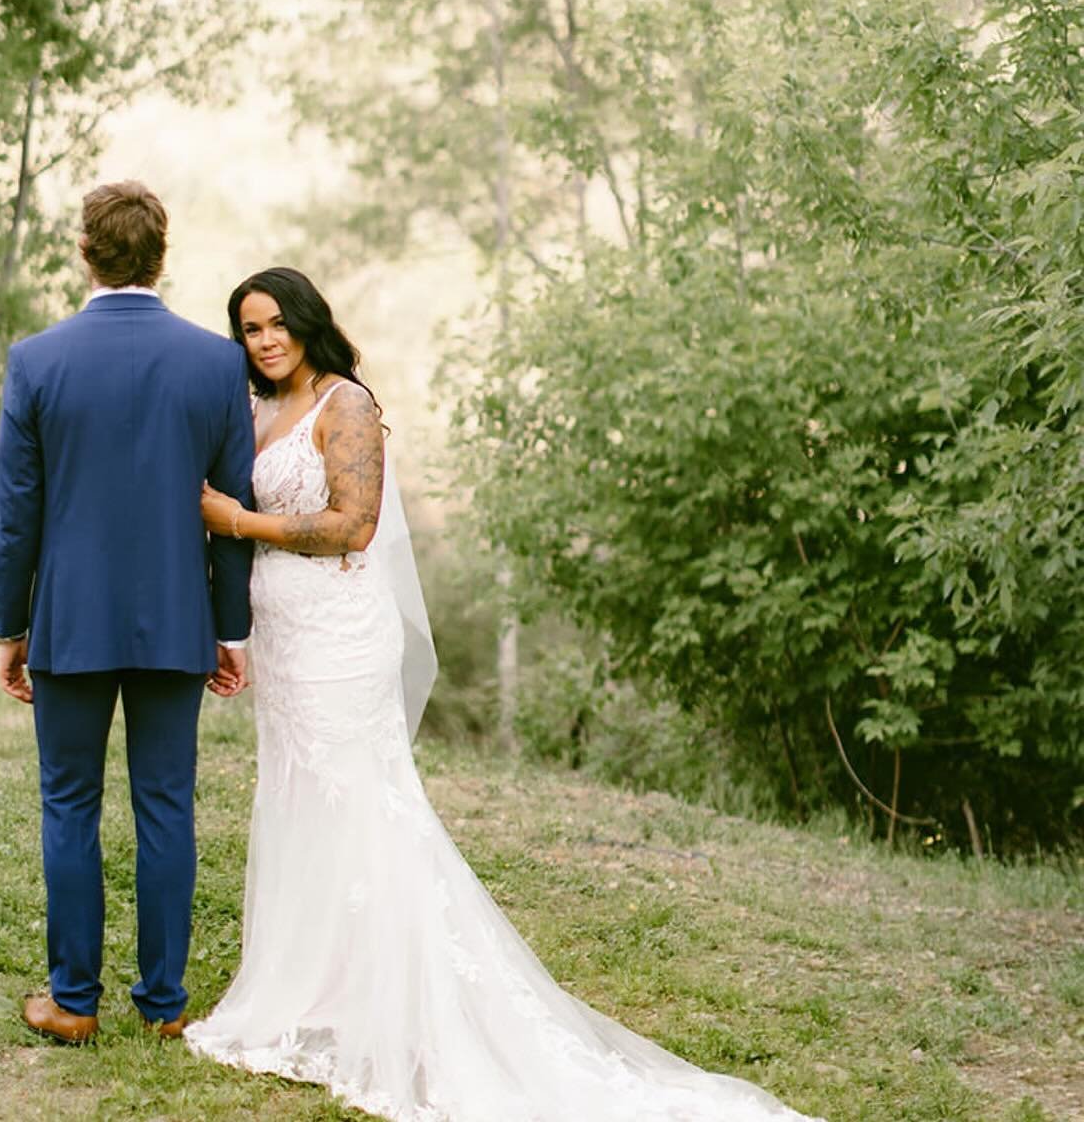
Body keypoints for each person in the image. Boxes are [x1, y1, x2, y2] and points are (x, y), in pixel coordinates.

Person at [185, 267, 823, 1122]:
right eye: (249, 329)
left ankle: (405, 1001)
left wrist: (237, 521)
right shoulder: (258, 414)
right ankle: (314, 992)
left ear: (306, 323)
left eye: (274, 324)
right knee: (299, 801)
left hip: (342, 638)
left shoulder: (347, 405)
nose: (263, 341)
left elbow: (353, 524)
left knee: (360, 805)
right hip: (288, 640)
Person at [0, 182, 254, 1046]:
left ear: (84, 250)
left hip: (70, 622)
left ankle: (73, 1002)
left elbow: (17, 513)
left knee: (69, 804)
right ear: (161, 252)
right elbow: (232, 507)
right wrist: (229, 627)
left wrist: (9, 627)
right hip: (178, 622)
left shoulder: (38, 360)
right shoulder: (218, 363)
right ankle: (165, 1006)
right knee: (166, 805)